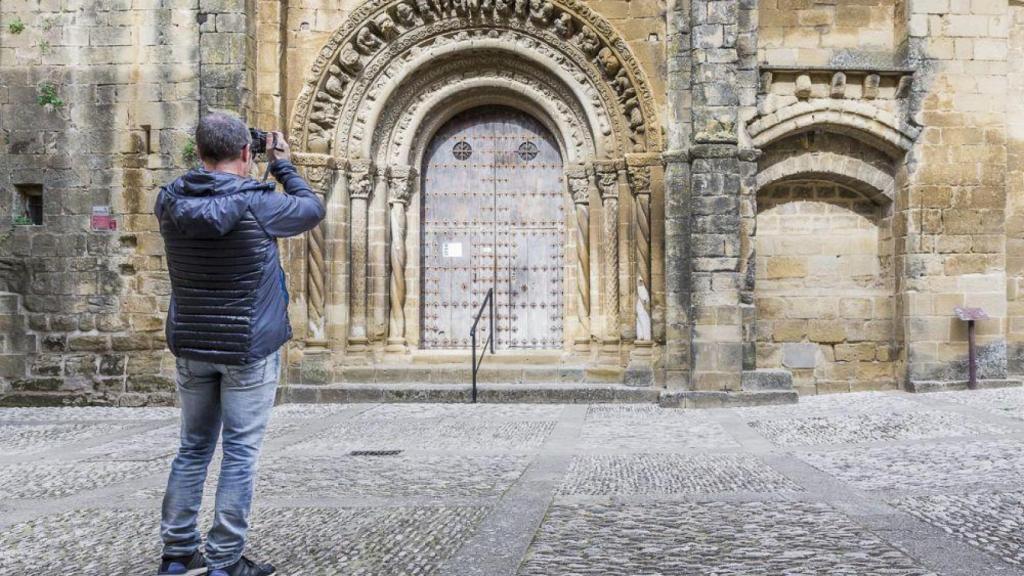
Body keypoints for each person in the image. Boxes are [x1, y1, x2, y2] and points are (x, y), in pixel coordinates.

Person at [154, 113, 325, 576]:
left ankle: (176, 554)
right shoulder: (259, 202)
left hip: (192, 344)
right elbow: (312, 209)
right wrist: (284, 166)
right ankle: (225, 561)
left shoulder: (168, 200)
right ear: (248, 154)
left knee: (192, 448)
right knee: (240, 452)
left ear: (200, 153)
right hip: (247, 348)